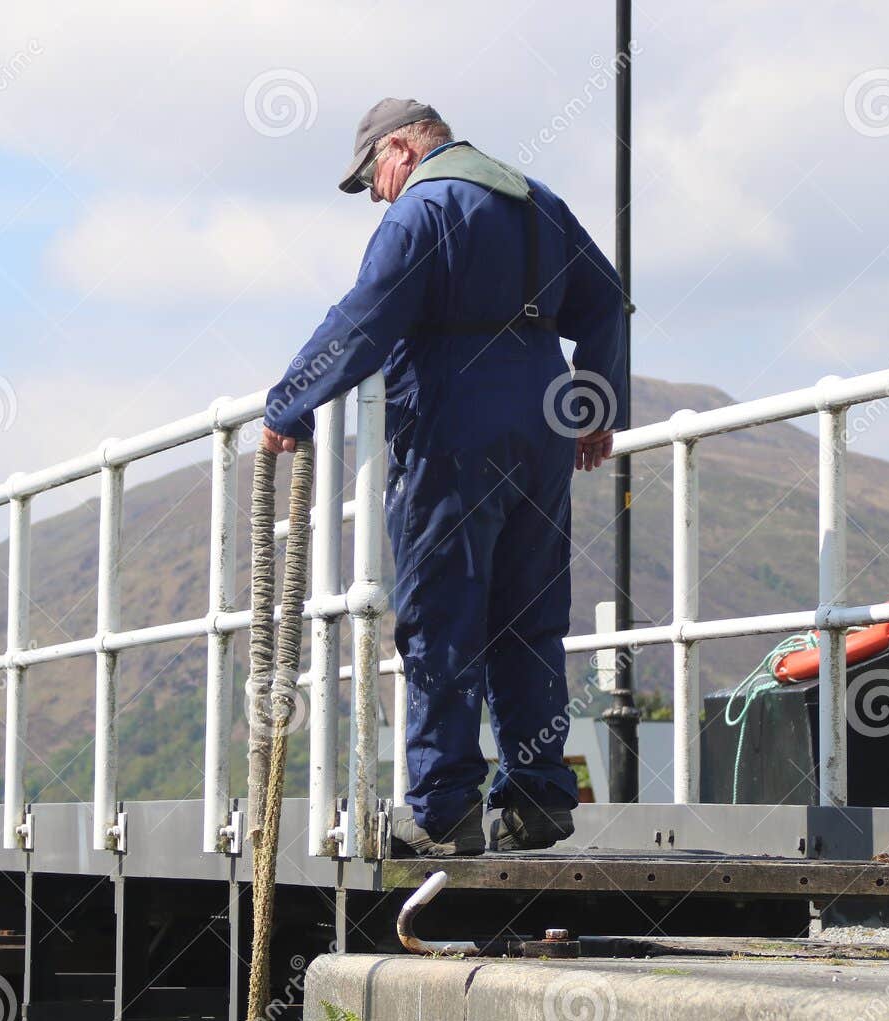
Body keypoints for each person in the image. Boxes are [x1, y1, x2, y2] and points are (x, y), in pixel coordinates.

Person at [260, 99, 627, 857]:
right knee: (530, 618)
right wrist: (595, 403)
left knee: (442, 618)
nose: (378, 194)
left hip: (455, 423)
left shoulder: (422, 211)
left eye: (373, 177)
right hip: (545, 417)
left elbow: (367, 318)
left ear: (402, 147)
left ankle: (446, 810)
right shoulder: (540, 203)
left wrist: (289, 403)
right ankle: (535, 800)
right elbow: (604, 299)